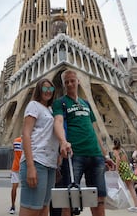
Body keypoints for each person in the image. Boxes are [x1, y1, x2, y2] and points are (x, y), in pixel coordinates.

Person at [52, 69, 115, 216]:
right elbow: (58, 122)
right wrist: (63, 141)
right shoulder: (60, 103)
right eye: (66, 82)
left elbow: (94, 130)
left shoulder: (86, 103)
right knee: (69, 199)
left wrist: (105, 156)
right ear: (63, 85)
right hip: (75, 155)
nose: (69, 84)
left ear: (78, 81)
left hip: (95, 155)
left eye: (72, 81)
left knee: (99, 198)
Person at [19, 78, 59, 216]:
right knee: (31, 209)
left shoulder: (51, 110)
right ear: (39, 90)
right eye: (45, 88)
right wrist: (30, 166)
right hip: (36, 161)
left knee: (43, 209)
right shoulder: (34, 105)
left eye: (51, 89)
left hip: (49, 164)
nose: (48, 91)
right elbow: (26, 133)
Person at [112, 142, 137, 213]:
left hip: (122, 170)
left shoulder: (115, 150)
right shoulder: (122, 150)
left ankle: (136, 206)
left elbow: (118, 159)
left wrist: (116, 170)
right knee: (130, 188)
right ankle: (135, 205)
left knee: (121, 187)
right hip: (126, 168)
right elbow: (127, 160)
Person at [9, 136, 22, 214]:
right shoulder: (30, 140)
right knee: (26, 188)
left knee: (14, 187)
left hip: (15, 166)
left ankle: (13, 206)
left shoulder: (16, 140)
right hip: (25, 166)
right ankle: (25, 207)